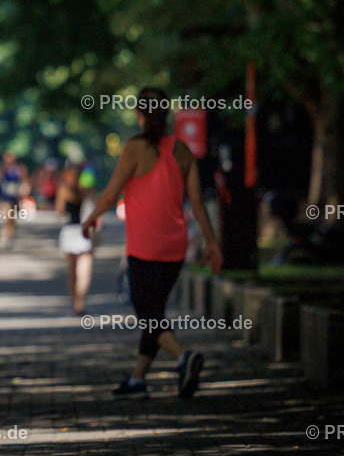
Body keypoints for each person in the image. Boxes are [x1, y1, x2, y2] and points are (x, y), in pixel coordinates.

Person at [82, 87, 222, 399]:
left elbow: (111, 193)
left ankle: (182, 357)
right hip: (175, 247)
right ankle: (137, 380)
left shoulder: (134, 147)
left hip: (144, 246)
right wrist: (212, 242)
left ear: (140, 114)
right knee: (154, 311)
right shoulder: (184, 151)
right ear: (168, 114)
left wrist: (90, 218)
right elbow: (197, 204)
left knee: (146, 311)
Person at [56, 161, 96, 316]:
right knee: (85, 269)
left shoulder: (64, 190)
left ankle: (74, 300)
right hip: (84, 231)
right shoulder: (87, 190)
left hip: (69, 231)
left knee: (72, 270)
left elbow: (60, 211)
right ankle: (80, 301)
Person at [0, 151, 28, 247]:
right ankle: (8, 234)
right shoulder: (1, 168)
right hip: (4, 196)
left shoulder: (19, 169)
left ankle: (11, 233)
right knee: (8, 215)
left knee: (12, 216)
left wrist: (23, 193)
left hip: (15, 196)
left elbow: (25, 181)